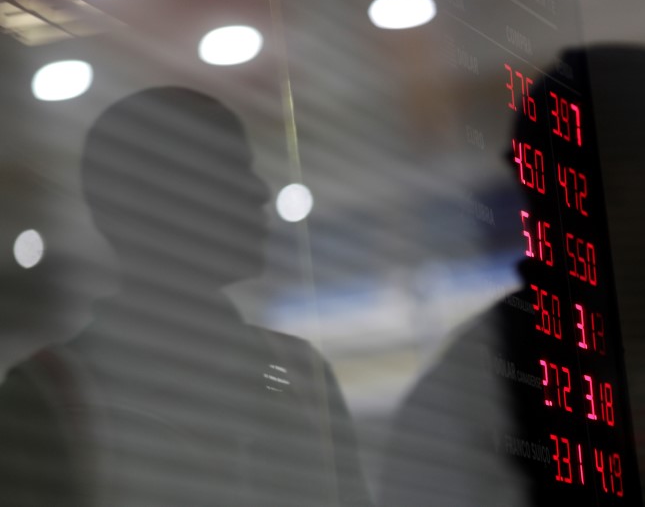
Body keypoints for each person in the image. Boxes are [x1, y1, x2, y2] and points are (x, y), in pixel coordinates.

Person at [0, 87, 371, 506]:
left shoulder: (299, 373)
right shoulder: (50, 396)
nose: (258, 192)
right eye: (225, 169)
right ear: (140, 203)